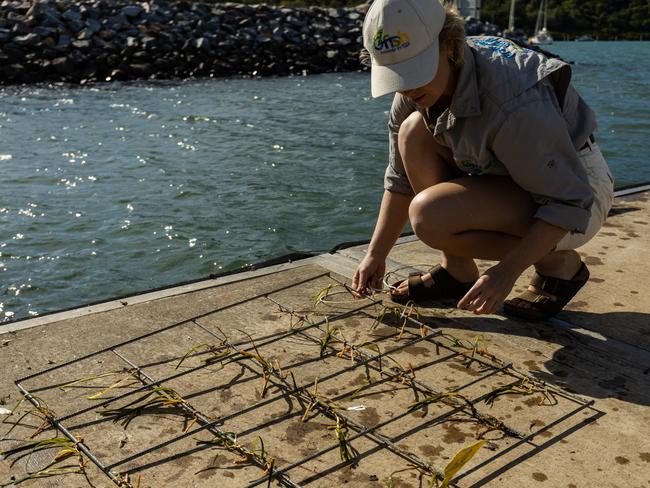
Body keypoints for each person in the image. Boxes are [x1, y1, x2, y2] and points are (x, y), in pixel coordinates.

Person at [351, 0, 614, 320]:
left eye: (413, 69)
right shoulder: (416, 89)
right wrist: (375, 255)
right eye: (397, 74)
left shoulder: (514, 103)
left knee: (429, 215)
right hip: (513, 173)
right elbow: (400, 178)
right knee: (412, 132)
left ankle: (558, 265)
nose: (405, 87)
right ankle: (457, 270)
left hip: (578, 188)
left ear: (449, 45)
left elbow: (570, 200)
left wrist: (506, 272)